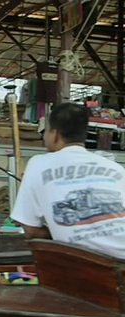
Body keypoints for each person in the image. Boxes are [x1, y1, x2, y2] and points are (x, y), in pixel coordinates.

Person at [11, 103, 125, 259]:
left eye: (46, 131)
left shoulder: (38, 163)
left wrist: (62, 233)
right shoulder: (115, 167)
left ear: (54, 135)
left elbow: (31, 231)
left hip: (88, 263)